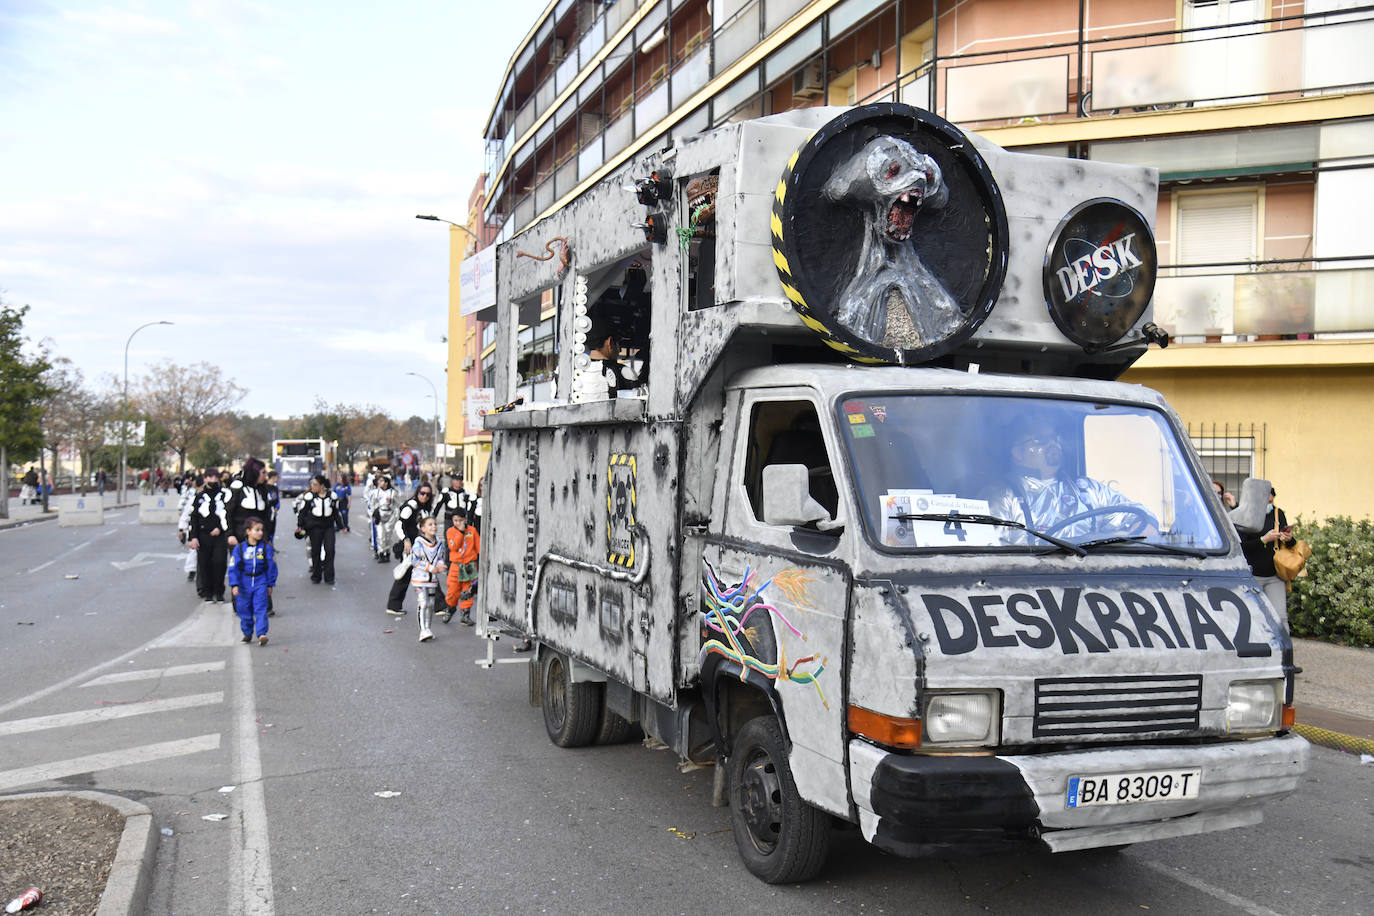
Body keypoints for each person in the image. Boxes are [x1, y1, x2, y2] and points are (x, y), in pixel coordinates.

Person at [986, 417, 1156, 544]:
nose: (1053, 444)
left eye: (1054, 439)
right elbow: (991, 550)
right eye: (1041, 441)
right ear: (1017, 453)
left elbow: (1134, 514)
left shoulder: (1086, 489)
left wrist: (1143, 524)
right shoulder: (1002, 495)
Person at [1240, 487, 1295, 627]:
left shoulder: (1278, 513)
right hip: (1253, 575)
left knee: (1280, 616)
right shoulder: (1247, 515)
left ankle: (1283, 648)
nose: (1269, 502)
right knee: (1254, 617)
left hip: (1275, 575)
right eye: (1266, 498)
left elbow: (1291, 545)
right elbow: (1242, 546)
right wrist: (1264, 539)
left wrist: (1288, 538)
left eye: (1271, 498)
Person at [385, 484, 436, 616]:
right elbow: (399, 524)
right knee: (405, 575)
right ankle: (393, 605)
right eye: (422, 493)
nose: (424, 496)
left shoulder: (425, 508)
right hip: (411, 547)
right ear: (417, 493)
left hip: (422, 547)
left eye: (428, 494)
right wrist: (406, 540)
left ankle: (439, 605)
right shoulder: (411, 506)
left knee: (430, 572)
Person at [227, 517, 277, 647]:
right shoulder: (240, 549)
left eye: (261, 530)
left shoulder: (266, 548)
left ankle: (261, 634)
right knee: (244, 609)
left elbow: (271, 566)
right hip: (244, 583)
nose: (260, 533)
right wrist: (234, 584)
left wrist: (270, 583)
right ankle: (247, 631)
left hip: (260, 581)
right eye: (257, 530)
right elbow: (233, 567)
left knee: (260, 608)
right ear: (248, 531)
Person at [294, 474, 346, 585]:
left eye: (315, 484)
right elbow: (302, 513)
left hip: (328, 526)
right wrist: (300, 526)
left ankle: (329, 576)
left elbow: (336, 513)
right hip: (314, 527)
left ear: (322, 485)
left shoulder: (332, 496)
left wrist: (342, 526)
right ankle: (316, 575)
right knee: (315, 551)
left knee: (330, 550)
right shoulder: (309, 497)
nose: (312, 486)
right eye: (312, 484)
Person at [188, 468, 229, 602]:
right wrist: (193, 537)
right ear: (205, 479)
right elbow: (194, 518)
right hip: (203, 535)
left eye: (216, 477)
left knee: (219, 562)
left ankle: (219, 591)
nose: (213, 480)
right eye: (210, 477)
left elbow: (228, 514)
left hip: (219, 535)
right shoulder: (199, 497)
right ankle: (207, 592)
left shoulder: (224, 495)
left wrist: (221, 528)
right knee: (204, 564)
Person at [410, 515, 446, 642]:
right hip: (419, 578)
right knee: (423, 602)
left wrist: (441, 566)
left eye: (435, 524)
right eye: (430, 524)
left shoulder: (439, 544)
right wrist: (430, 567)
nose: (434, 527)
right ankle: (422, 630)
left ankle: (428, 628)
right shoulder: (419, 543)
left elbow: (440, 558)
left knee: (431, 604)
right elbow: (414, 560)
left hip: (432, 580)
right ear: (423, 528)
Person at [226, 458, 274, 545]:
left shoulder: (263, 490)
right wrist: (230, 534)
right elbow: (227, 513)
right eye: (263, 472)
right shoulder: (238, 488)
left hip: (259, 538)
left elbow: (267, 516)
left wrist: (267, 537)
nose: (266, 476)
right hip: (239, 538)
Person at [444, 511, 480, 625]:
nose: (458, 523)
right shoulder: (450, 531)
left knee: (468, 591)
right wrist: (460, 532)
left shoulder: (472, 531)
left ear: (465, 519)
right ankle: (450, 608)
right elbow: (453, 546)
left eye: (460, 520)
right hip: (456, 565)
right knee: (452, 591)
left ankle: (465, 615)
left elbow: (479, 547)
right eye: (455, 521)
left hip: (470, 565)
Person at [367, 472, 401, 563]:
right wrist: (373, 515)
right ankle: (381, 553)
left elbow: (397, 505)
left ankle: (387, 553)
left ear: (386, 483)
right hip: (380, 516)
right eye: (379, 481)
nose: (379, 482)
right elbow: (371, 505)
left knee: (388, 536)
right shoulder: (375, 493)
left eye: (382, 481)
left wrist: (396, 517)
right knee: (380, 535)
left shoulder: (393, 493)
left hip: (390, 516)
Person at [176, 473, 202, 582]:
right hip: (195, 529)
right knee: (194, 551)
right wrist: (181, 529)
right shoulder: (193, 497)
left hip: (212, 531)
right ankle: (192, 571)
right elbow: (186, 515)